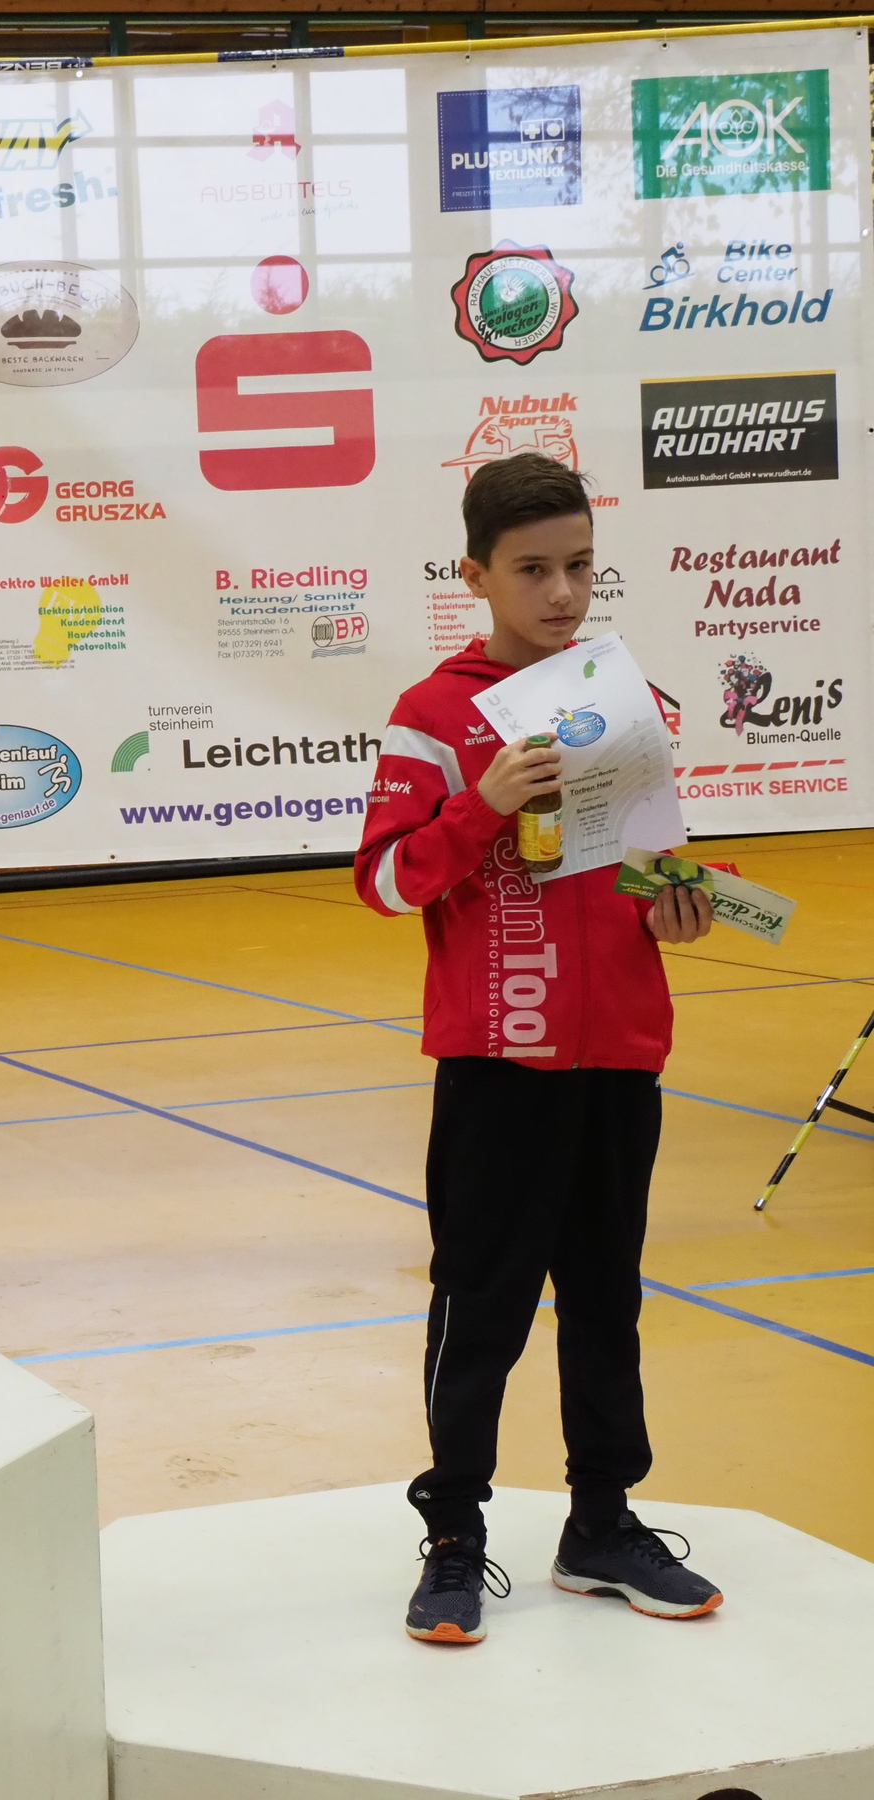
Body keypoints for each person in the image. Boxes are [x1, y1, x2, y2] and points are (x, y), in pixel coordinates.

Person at [355, 451, 723, 1643]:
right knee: (481, 1306)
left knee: (607, 1301)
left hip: (619, 1054)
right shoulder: (433, 716)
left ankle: (601, 1523)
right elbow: (385, 882)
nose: (562, 593)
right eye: (531, 570)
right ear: (474, 575)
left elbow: (644, 865)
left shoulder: (624, 700)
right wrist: (486, 803)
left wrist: (682, 902)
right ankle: (454, 1536)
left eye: (579, 566)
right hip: (498, 1061)